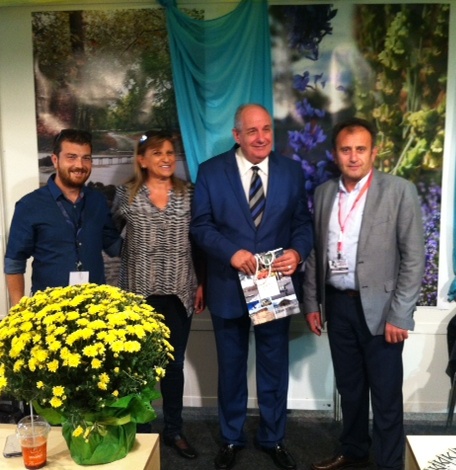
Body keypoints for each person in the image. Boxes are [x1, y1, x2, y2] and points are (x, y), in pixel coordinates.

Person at [190, 103, 314, 470]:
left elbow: (302, 223)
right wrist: (231, 253)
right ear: (237, 135)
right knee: (231, 369)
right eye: (252, 131)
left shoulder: (291, 171)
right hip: (228, 288)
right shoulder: (211, 171)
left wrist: (297, 251)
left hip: (274, 286)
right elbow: (200, 226)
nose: (261, 138)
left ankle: (273, 438)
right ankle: (231, 437)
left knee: (274, 367)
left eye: (266, 129)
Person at [303, 117, 425, 470]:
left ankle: (389, 463)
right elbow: (316, 252)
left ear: (374, 152)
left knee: (385, 395)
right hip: (338, 306)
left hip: (383, 311)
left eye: (361, 149)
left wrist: (400, 314)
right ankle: (354, 448)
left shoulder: (399, 191)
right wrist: (312, 303)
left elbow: (414, 258)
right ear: (335, 154)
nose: (353, 156)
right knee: (350, 389)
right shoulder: (324, 193)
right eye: (346, 149)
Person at [112, 130, 205, 460]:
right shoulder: (126, 194)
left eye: (169, 152)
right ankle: (141, 429)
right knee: (139, 366)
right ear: (142, 160)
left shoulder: (189, 194)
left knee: (173, 365)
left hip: (180, 292)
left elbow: (199, 241)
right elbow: (110, 235)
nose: (166, 158)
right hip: (139, 295)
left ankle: (174, 430)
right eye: (157, 153)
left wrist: (202, 282)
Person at [4, 129, 121, 306]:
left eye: (86, 158)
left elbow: (114, 247)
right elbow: (15, 262)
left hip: (96, 308)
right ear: (55, 160)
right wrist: (18, 311)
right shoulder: (29, 205)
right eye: (71, 157)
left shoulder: (98, 201)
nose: (79, 165)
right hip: (49, 310)